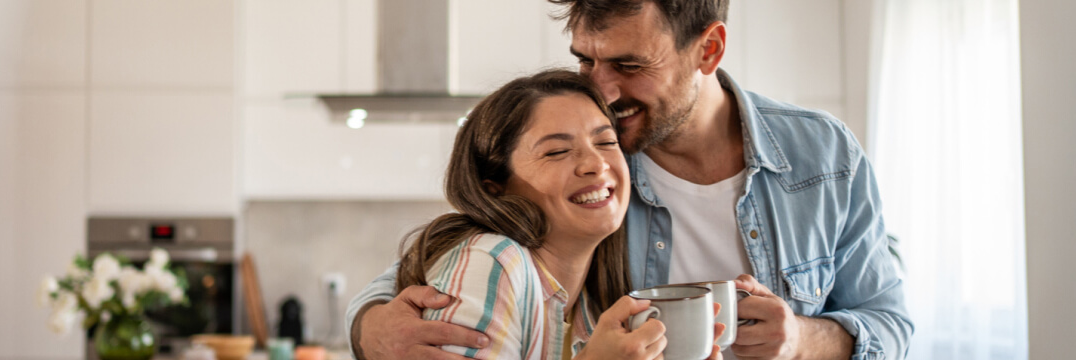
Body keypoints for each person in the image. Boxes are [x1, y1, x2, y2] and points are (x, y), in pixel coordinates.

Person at [347, 1, 912, 359]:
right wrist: (372, 332)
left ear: (708, 49)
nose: (602, 89)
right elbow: (424, 278)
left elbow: (889, 323)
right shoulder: (595, 172)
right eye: (586, 61)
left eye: (629, 65)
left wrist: (799, 341)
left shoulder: (822, 153)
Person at [396, 69, 720, 360]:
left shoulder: (591, 304)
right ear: (495, 186)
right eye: (557, 151)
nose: (596, 163)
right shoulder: (492, 262)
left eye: (606, 141)